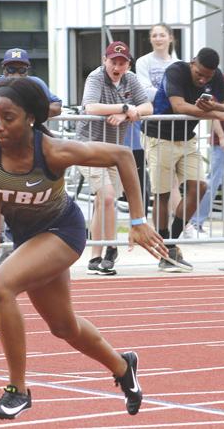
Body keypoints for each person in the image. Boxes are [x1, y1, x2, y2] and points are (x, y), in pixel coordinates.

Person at [0, 77, 167, 419]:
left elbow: (121, 155)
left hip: (63, 230)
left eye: (8, 117)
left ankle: (17, 391)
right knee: (64, 327)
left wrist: (137, 219)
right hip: (29, 238)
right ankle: (123, 366)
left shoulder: (53, 151)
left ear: (31, 117)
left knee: (0, 289)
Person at [143, 47, 224, 272]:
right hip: (159, 136)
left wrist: (214, 105)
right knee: (163, 195)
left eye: (208, 76)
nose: (203, 79)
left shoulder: (213, 76)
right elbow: (180, 106)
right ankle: (166, 251)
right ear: (192, 63)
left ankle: (170, 246)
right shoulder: (175, 71)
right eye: (199, 74)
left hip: (187, 138)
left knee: (200, 187)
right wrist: (218, 113)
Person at [76, 41, 152, 276]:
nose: (117, 66)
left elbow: (148, 106)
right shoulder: (96, 77)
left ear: (128, 63)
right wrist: (123, 107)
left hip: (114, 149)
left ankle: (96, 257)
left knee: (106, 200)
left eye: (122, 62)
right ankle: (109, 249)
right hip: (88, 146)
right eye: (113, 61)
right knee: (106, 195)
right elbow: (90, 107)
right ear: (104, 60)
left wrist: (130, 113)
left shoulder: (130, 79)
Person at [185, 48, 224, 236]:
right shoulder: (221, 80)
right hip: (222, 141)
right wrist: (221, 137)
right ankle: (197, 221)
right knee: (213, 181)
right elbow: (211, 112)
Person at [133, 23, 180, 216]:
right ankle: (167, 227)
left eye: (162, 35)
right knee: (162, 181)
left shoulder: (179, 64)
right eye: (155, 35)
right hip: (154, 126)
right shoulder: (143, 62)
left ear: (170, 38)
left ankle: (180, 224)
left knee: (175, 180)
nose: (158, 39)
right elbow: (144, 91)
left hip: (178, 126)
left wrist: (169, 97)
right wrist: (172, 97)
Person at [0, 47, 62, 117]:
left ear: (27, 70)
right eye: (11, 69)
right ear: (3, 69)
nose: (16, 74)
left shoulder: (36, 84)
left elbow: (56, 106)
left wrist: (33, 113)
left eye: (22, 70)